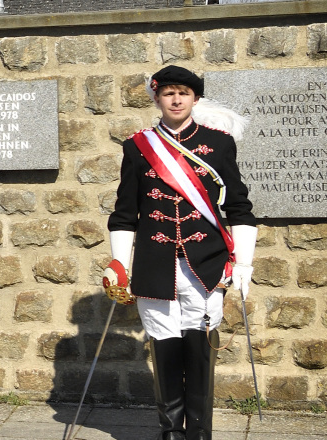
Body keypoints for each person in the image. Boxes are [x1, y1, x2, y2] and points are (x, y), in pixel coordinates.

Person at [107, 65, 257, 440]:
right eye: (168, 93)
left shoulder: (219, 143)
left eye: (183, 93)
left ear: (195, 99)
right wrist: (119, 264)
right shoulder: (137, 146)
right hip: (156, 264)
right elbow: (126, 214)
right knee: (165, 342)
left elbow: (239, 207)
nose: (176, 99)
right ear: (157, 98)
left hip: (205, 263)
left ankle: (200, 433)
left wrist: (245, 263)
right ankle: (172, 432)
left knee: (200, 341)